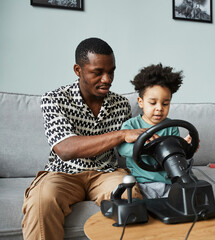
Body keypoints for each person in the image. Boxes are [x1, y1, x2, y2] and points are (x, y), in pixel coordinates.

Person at [21, 37, 146, 240]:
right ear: (78, 70)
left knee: (128, 197)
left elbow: (130, 143)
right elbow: (66, 148)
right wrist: (120, 134)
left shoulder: (121, 104)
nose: (107, 79)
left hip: (106, 173)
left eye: (111, 71)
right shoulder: (54, 99)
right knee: (42, 200)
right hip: (64, 173)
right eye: (98, 72)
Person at [118, 63, 190, 199]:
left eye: (165, 103)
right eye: (153, 103)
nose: (159, 108)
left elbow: (175, 157)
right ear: (141, 102)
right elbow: (122, 150)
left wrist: (184, 147)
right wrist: (148, 146)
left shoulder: (171, 126)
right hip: (142, 183)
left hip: (168, 183)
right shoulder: (131, 125)